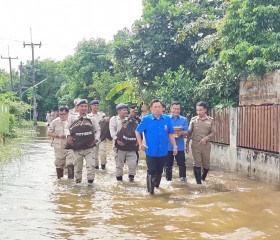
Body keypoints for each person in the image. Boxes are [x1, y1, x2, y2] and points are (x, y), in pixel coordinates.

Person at [135, 99, 178, 195]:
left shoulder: (167, 119)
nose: (158, 109)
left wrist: (175, 146)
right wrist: (141, 144)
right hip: (151, 151)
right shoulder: (146, 119)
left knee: (159, 171)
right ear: (151, 109)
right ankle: (150, 192)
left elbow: (171, 133)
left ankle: (156, 186)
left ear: (162, 108)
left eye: (159, 107)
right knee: (151, 171)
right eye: (155, 107)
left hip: (163, 151)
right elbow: (138, 131)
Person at [65, 99, 101, 184]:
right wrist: (68, 136)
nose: (84, 108)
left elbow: (98, 130)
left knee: (91, 167)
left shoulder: (92, 119)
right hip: (77, 148)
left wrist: (95, 140)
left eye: (85, 106)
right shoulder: (72, 118)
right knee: (77, 168)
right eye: (82, 106)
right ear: (77, 107)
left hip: (90, 148)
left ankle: (90, 186)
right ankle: (78, 185)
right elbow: (66, 128)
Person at [186, 101, 215, 184]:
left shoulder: (210, 120)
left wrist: (206, 138)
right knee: (197, 163)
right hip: (195, 145)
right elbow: (189, 133)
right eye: (197, 110)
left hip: (206, 145)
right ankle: (198, 183)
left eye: (201, 110)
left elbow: (213, 132)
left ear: (205, 110)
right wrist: (187, 144)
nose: (199, 112)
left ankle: (203, 179)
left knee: (206, 164)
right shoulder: (193, 120)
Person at [109, 103, 138, 182]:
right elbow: (112, 132)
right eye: (123, 110)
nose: (125, 112)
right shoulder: (114, 119)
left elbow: (136, 131)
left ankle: (131, 180)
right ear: (118, 111)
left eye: (126, 110)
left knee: (133, 164)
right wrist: (117, 140)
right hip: (118, 146)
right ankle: (119, 182)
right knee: (119, 165)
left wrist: (138, 141)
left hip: (130, 146)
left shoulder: (130, 119)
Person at [48, 106, 74, 179]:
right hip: (59, 147)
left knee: (70, 163)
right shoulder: (55, 122)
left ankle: (71, 181)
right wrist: (57, 135)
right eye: (60, 114)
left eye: (64, 114)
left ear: (68, 113)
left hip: (70, 146)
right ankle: (59, 180)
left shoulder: (72, 121)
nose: (62, 116)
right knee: (59, 164)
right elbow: (49, 133)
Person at [166, 101, 188, 182]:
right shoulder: (166, 118)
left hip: (180, 146)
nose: (176, 111)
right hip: (168, 146)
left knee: (182, 164)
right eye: (174, 109)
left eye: (178, 109)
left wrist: (181, 132)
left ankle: (183, 180)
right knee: (168, 165)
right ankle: (168, 181)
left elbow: (187, 132)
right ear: (171, 109)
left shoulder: (183, 119)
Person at [87, 100, 107, 170]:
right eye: (94, 105)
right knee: (94, 154)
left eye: (97, 105)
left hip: (102, 137)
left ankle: (104, 167)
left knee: (103, 153)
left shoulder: (102, 115)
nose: (96, 107)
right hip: (93, 138)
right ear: (91, 106)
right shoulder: (88, 116)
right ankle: (96, 169)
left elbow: (106, 125)